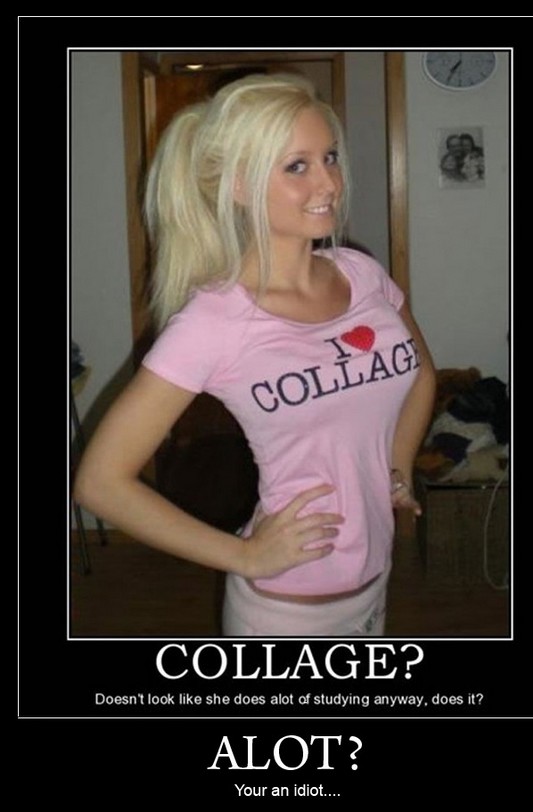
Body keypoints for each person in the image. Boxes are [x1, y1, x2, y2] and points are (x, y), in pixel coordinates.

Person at [74, 73, 436, 637]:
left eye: (330, 157)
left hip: (374, 582)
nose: (329, 182)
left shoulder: (362, 273)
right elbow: (99, 483)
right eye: (297, 166)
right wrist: (243, 555)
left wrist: (396, 467)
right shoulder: (214, 321)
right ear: (239, 186)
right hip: (286, 609)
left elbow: (420, 374)